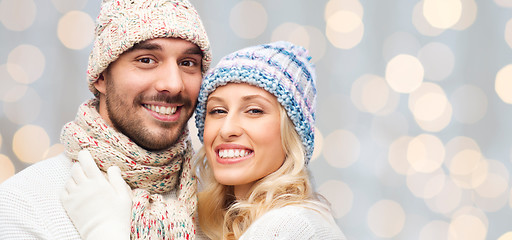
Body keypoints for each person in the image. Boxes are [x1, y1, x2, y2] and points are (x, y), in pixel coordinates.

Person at [61, 41, 346, 239]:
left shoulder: (290, 225)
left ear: (291, 133)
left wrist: (105, 231)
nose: (227, 129)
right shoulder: (222, 222)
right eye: (217, 111)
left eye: (254, 110)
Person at [0, 0, 211, 239]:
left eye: (187, 63)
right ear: (100, 76)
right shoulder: (24, 205)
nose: (173, 84)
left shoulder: (220, 202)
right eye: (146, 60)